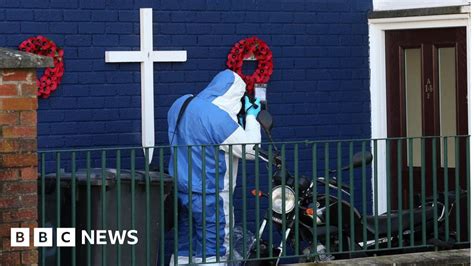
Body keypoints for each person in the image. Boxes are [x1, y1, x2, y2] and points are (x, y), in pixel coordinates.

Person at [167, 69, 262, 265]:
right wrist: (252, 117)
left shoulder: (181, 104)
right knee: (215, 246)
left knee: (185, 245)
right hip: (212, 193)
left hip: (181, 189)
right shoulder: (217, 117)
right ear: (235, 95)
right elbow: (251, 150)